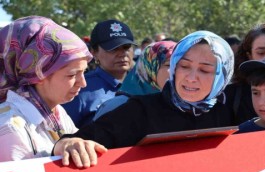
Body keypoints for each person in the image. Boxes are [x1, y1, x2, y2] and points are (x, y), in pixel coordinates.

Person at [52, 30, 235, 168]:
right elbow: (81, 140)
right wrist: (69, 143)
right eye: (184, 66)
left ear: (223, 75)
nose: (191, 77)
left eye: (204, 70)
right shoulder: (139, 111)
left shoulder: (232, 109)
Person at [0, 16, 92, 161]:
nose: (83, 83)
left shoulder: (55, 111)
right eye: (72, 75)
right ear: (38, 75)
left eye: (84, 72)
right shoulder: (9, 127)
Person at [62, 19, 136, 127]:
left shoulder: (142, 84)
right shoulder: (80, 88)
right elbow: (65, 135)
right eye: (113, 49)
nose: (122, 54)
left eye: (126, 47)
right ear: (94, 52)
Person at [94, 40, 176, 119]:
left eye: (183, 66)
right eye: (169, 65)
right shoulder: (117, 107)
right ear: (149, 67)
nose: (176, 70)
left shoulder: (183, 106)